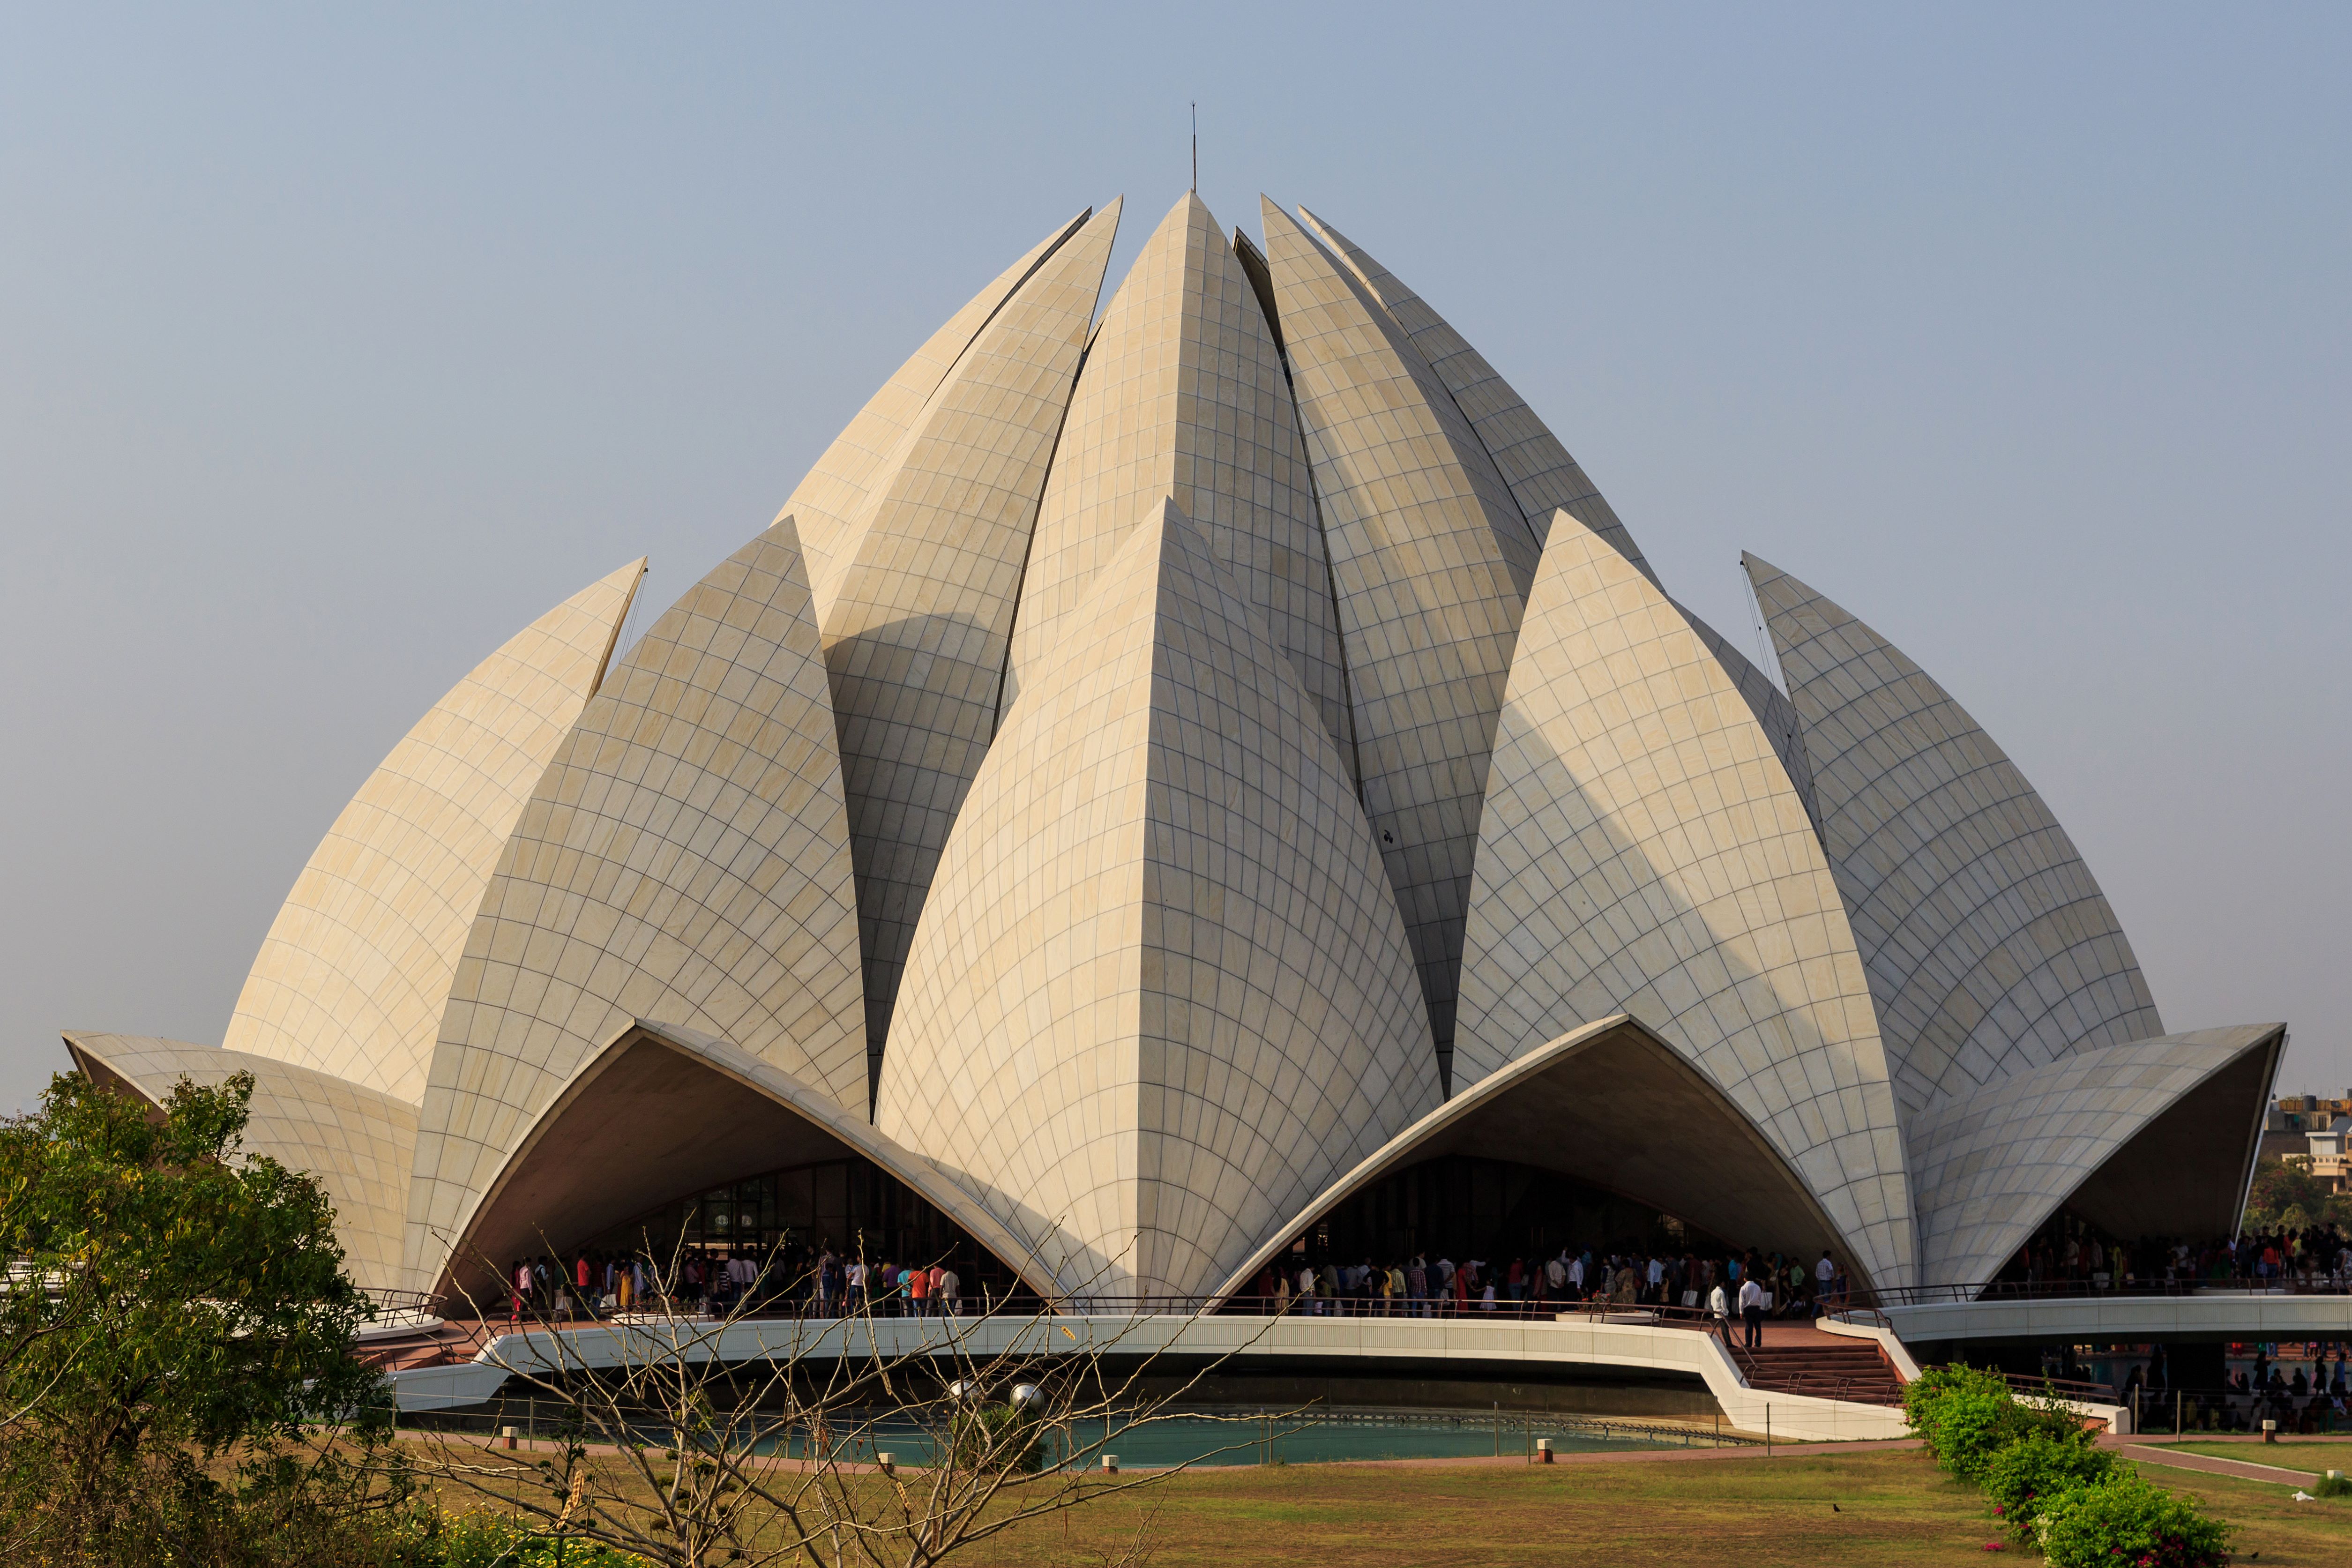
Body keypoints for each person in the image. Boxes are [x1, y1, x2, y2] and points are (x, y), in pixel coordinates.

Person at [1738, 1272, 1767, 1351]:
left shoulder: (1744, 1288)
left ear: (1745, 1279)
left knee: (1749, 1326)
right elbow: (1760, 1298)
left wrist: (1741, 1311)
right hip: (1757, 1308)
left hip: (1748, 1309)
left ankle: (1748, 1343)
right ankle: (1758, 1342)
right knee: (1758, 1326)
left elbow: (1741, 1301)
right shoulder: (1757, 1287)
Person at [1709, 1277, 1732, 1345]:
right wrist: (1726, 1312)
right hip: (1722, 1313)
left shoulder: (1713, 1292)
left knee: (1723, 1329)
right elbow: (1724, 1304)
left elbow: (1712, 1302)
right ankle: (1729, 1343)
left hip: (1716, 1312)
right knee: (1725, 1329)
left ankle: (1728, 1343)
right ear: (1721, 1283)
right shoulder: (1721, 1292)